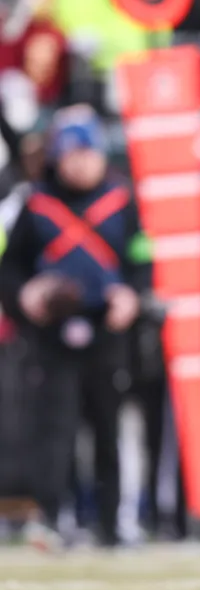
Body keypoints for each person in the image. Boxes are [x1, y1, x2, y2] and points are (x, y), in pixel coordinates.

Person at [0, 105, 148, 547]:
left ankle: (111, 522)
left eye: (88, 154)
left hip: (106, 331)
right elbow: (11, 269)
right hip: (52, 334)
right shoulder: (37, 204)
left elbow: (142, 258)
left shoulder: (121, 200)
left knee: (108, 429)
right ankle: (54, 516)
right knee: (55, 430)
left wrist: (132, 295)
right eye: (72, 155)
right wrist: (25, 296)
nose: (81, 164)